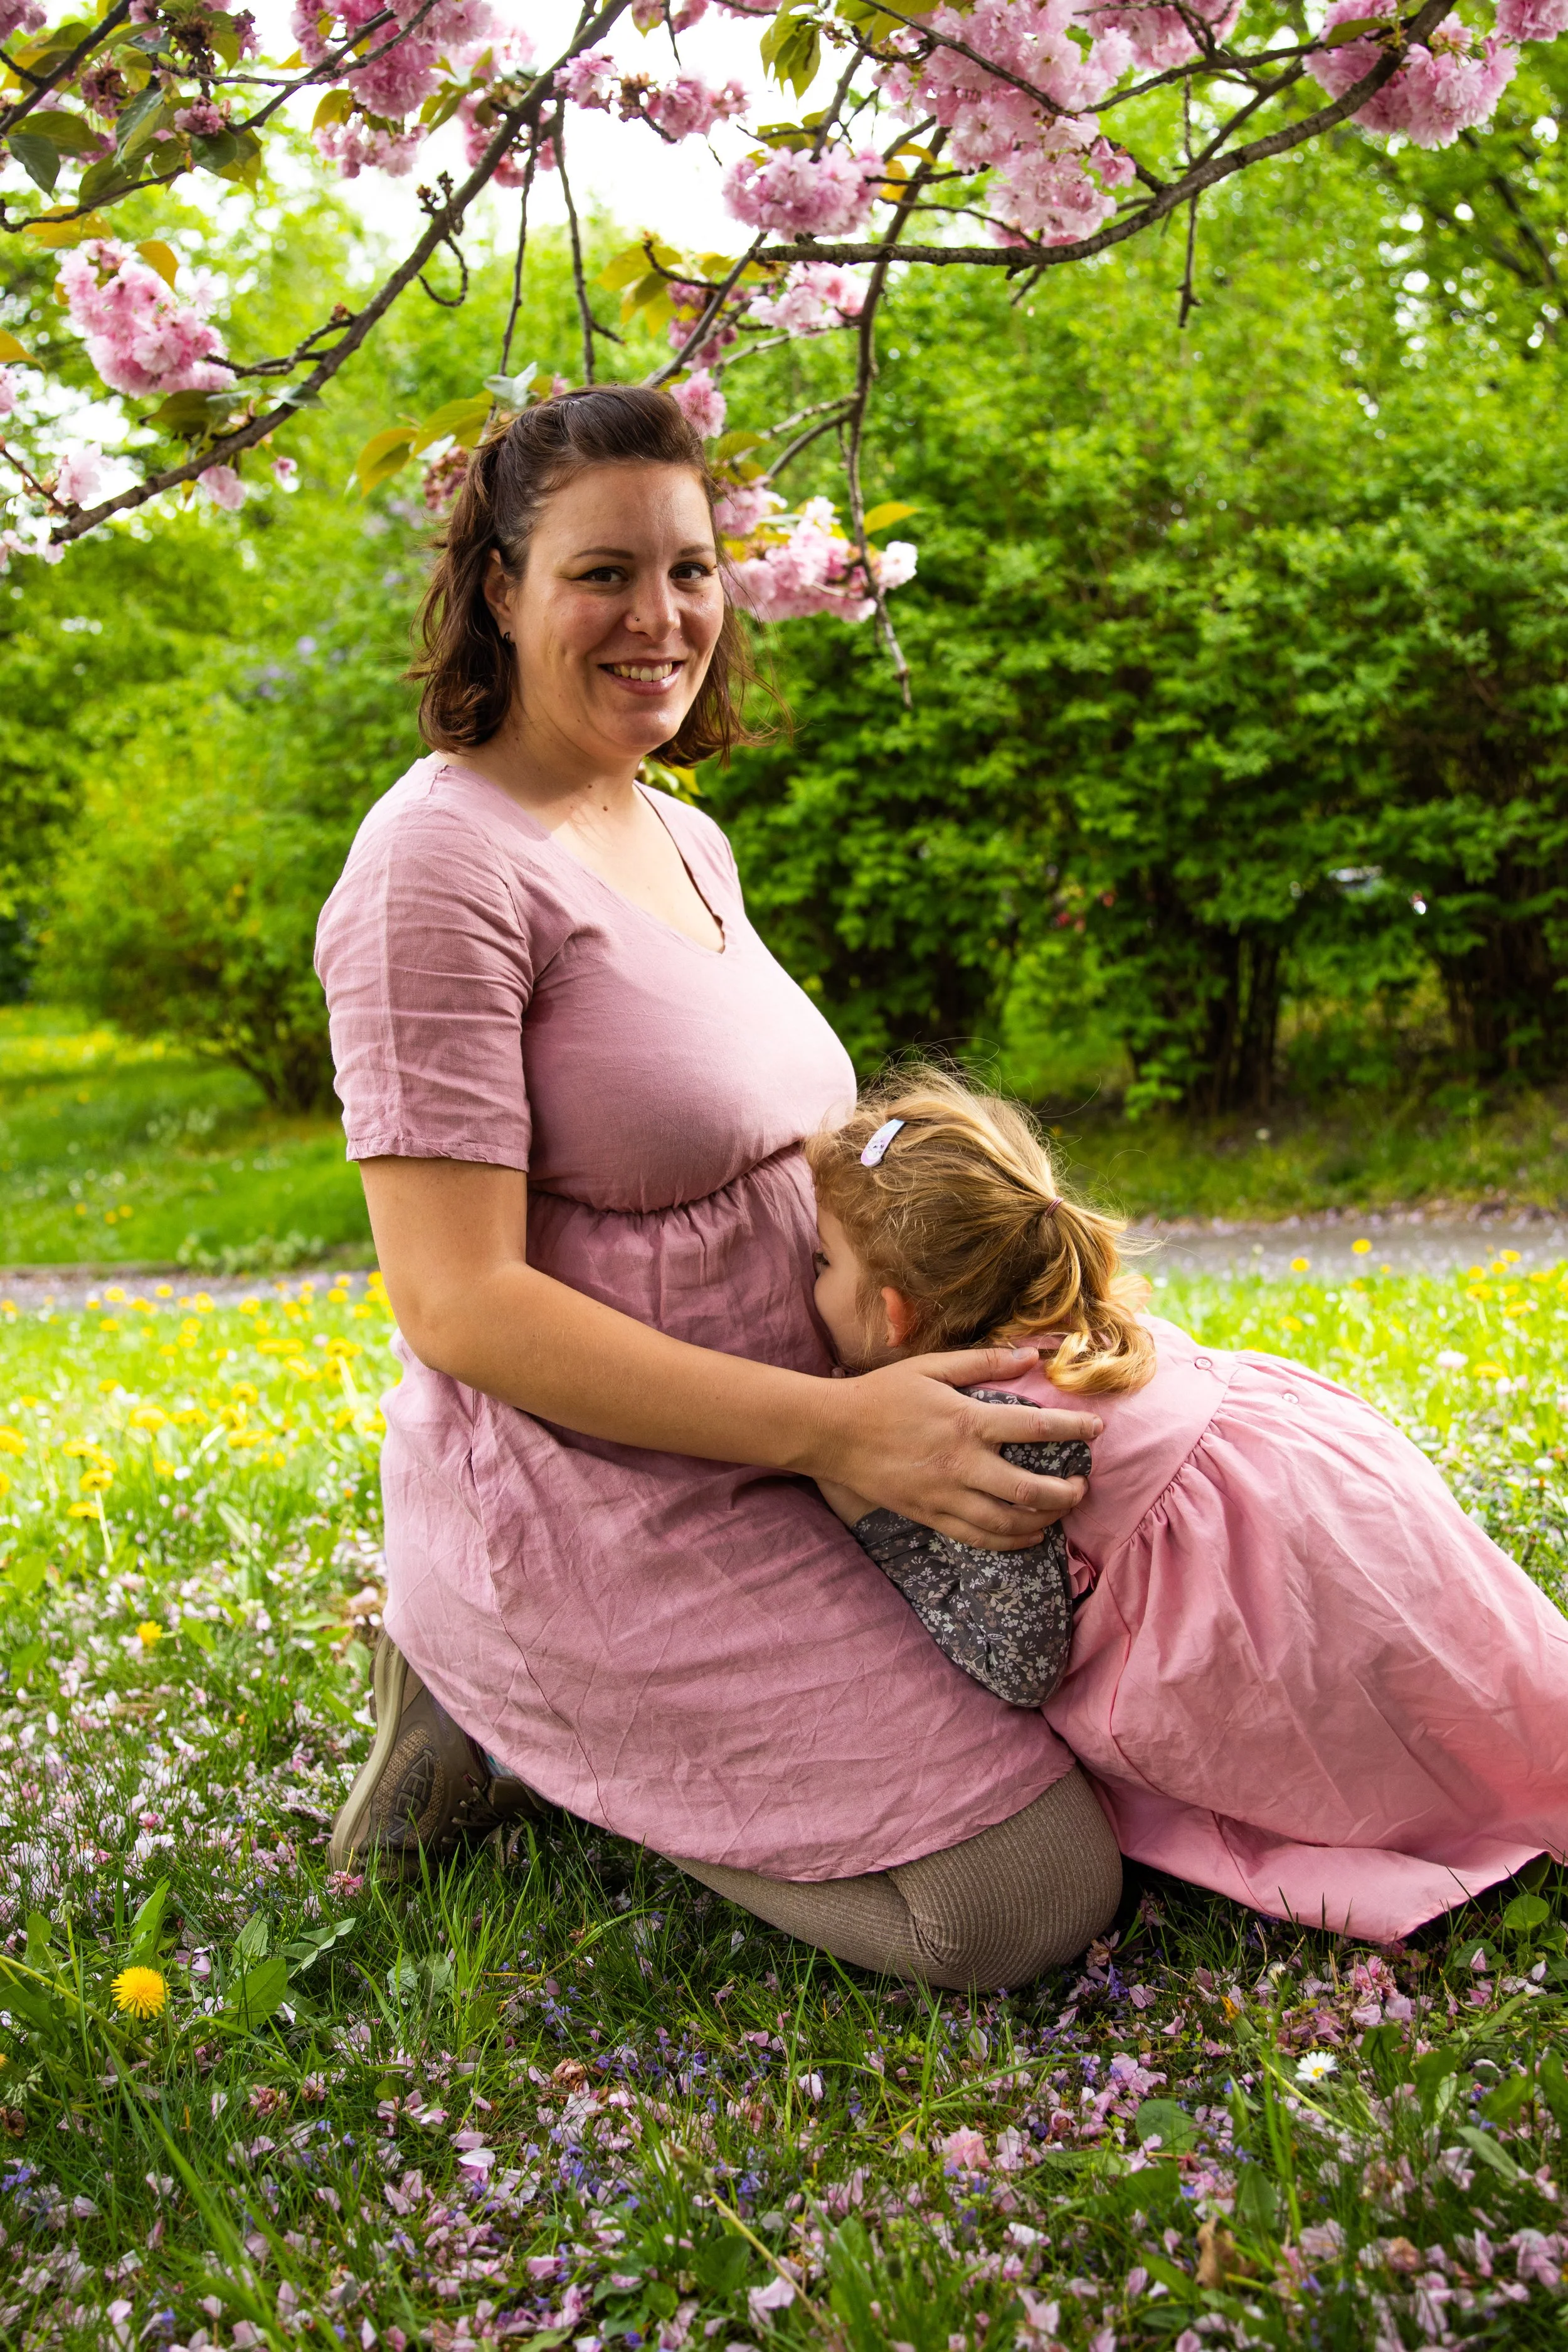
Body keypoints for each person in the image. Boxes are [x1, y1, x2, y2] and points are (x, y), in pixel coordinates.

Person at [312, 386, 1123, 1990]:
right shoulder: (435, 872)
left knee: (1127, 1686)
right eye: (602, 573)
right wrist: (842, 1429)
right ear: (498, 588)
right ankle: (508, 1704)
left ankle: (546, 1711)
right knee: (1027, 1898)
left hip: (805, 1445)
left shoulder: (682, 833)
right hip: (599, 1497)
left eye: (690, 570)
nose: (660, 617)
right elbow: (455, 1302)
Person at [803, 1069, 1568, 1944]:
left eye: (824, 1263)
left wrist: (865, 1511)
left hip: (1264, 1604)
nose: (809, 1279)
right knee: (1479, 1685)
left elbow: (1016, 1660)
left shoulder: (989, 1437)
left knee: (1392, 1740)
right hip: (1314, 1490)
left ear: (896, 1315)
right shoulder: (1067, 1327)